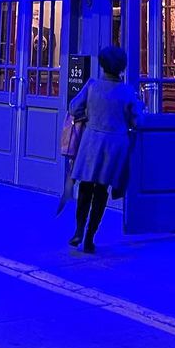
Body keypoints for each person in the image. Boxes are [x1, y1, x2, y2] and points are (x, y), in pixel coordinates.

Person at [67, 44, 144, 253]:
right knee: (101, 191)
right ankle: (90, 238)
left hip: (91, 142)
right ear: (121, 67)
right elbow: (138, 121)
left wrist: (88, 115)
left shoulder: (92, 86)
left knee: (85, 187)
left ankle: (78, 229)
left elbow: (74, 107)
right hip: (115, 146)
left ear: (102, 64)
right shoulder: (126, 91)